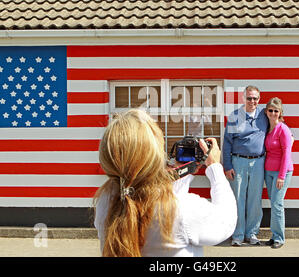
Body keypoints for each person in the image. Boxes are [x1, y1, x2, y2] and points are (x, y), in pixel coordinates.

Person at [93, 109, 237, 257]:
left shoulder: (106, 201)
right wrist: (214, 167)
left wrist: (182, 172)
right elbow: (226, 221)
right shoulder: (182, 209)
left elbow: (145, 190)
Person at [222, 86, 268, 246]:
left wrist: (289, 134)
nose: (252, 101)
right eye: (249, 98)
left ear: (259, 99)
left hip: (258, 162)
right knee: (238, 198)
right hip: (238, 161)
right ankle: (238, 234)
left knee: (255, 199)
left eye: (255, 98)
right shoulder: (235, 116)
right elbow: (227, 142)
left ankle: (252, 233)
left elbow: (278, 123)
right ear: (244, 98)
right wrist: (227, 165)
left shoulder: (264, 114)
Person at [263, 97, 294, 249]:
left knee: (277, 204)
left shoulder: (284, 129)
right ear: (266, 111)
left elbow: (287, 154)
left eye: (276, 111)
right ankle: (274, 235)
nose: (273, 113)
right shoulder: (267, 128)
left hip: (282, 172)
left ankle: (280, 238)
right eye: (271, 110)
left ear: (280, 113)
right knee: (273, 203)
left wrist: (281, 176)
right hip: (268, 171)